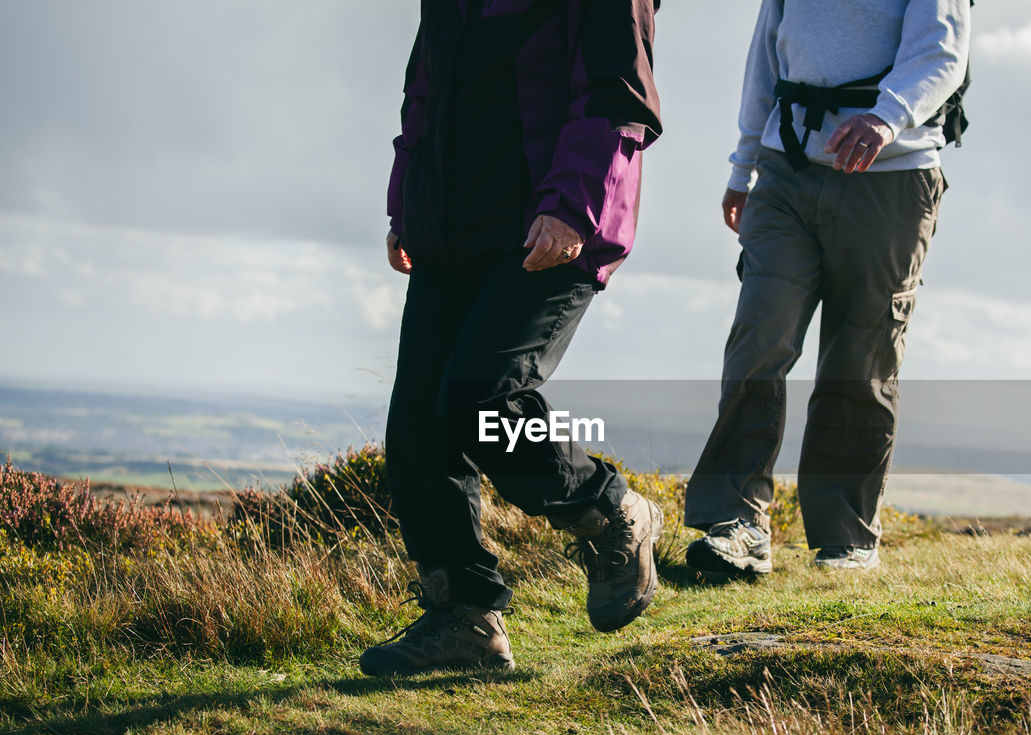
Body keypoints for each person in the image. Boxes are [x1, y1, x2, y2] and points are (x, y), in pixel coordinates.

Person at [360, 0, 663, 677]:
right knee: (417, 430)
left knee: (480, 402)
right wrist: (408, 200)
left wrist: (572, 206)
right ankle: (465, 614)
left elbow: (618, 93)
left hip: (552, 222)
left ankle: (610, 511)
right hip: (452, 224)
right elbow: (427, 86)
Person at [683, 0, 970, 579]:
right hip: (786, 171)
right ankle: (738, 524)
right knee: (760, 335)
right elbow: (766, 59)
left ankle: (845, 539)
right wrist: (743, 166)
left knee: (860, 357)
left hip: (890, 177)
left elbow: (942, 53)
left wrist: (887, 116)